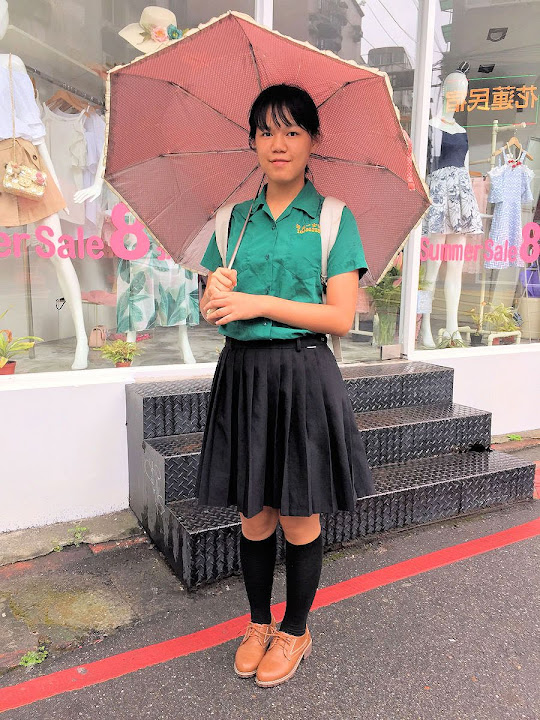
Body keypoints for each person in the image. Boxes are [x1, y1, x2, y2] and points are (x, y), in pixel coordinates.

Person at [196, 84, 375, 688]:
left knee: (298, 516)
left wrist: (258, 302)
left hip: (303, 374)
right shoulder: (231, 221)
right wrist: (214, 295)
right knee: (254, 514)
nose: (279, 144)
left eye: (292, 131)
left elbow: (340, 316)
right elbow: (211, 311)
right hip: (243, 376)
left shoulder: (333, 218)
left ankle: (295, 629)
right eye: (266, 131)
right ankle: (257, 623)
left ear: (312, 141)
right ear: (252, 141)